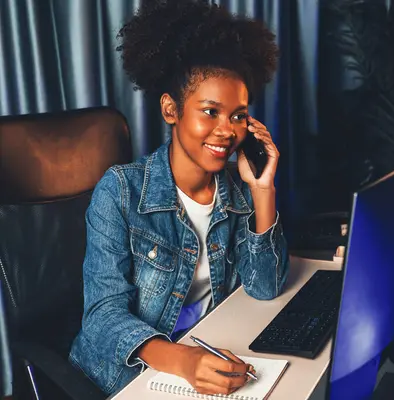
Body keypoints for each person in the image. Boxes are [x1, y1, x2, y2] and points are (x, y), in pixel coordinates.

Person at [68, 0, 290, 396]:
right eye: (210, 111)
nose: (227, 130)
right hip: (131, 368)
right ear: (171, 109)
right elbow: (101, 318)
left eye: (238, 115)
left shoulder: (237, 190)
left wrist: (263, 190)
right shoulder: (120, 191)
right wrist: (182, 360)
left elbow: (266, 287)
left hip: (209, 344)